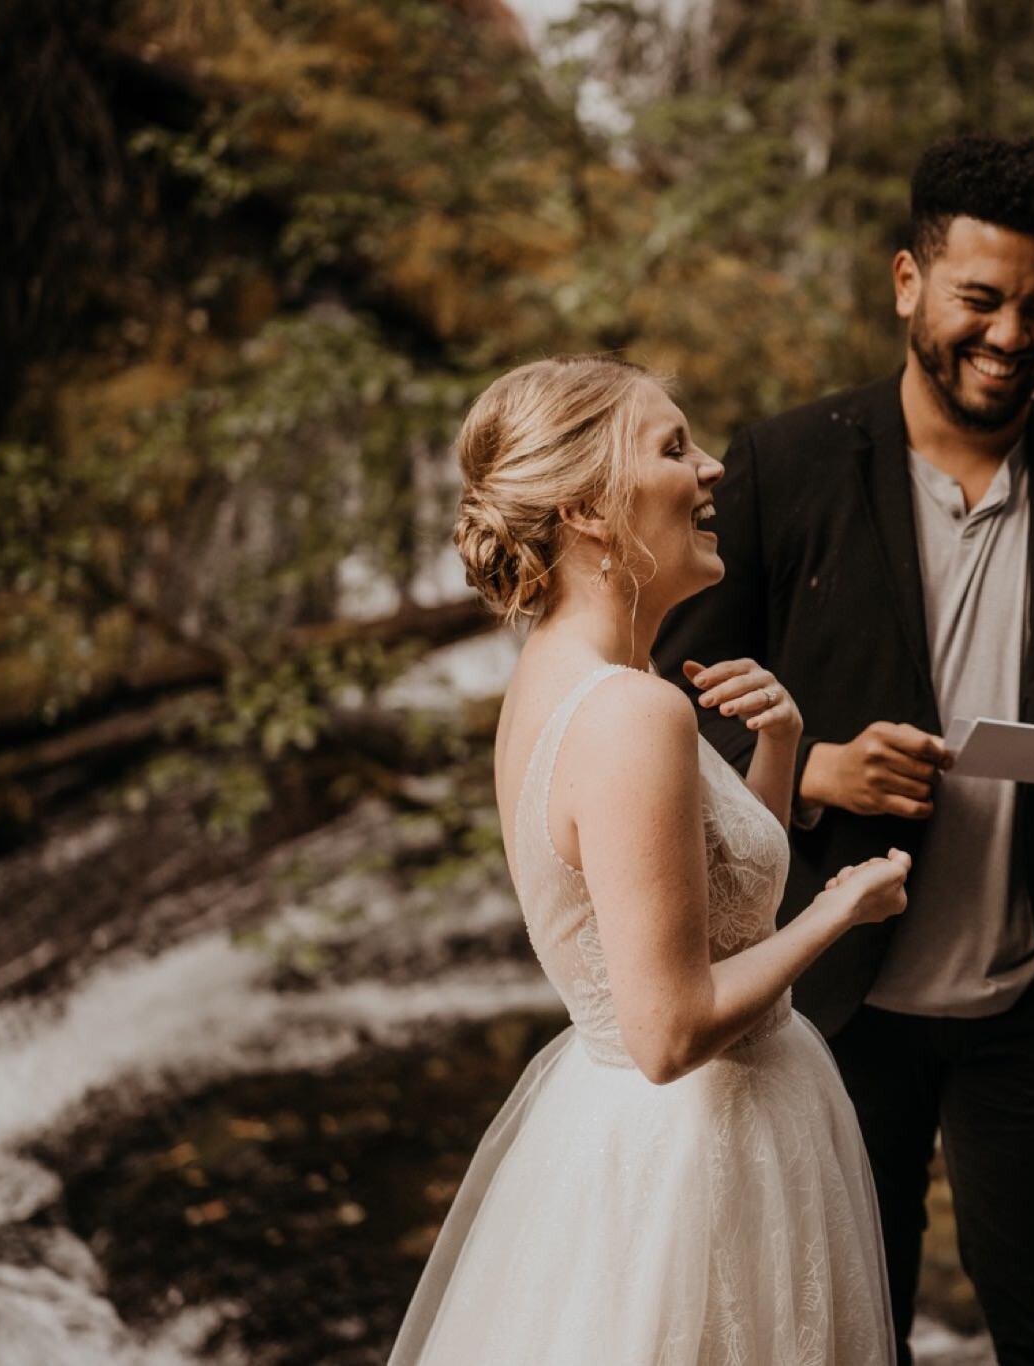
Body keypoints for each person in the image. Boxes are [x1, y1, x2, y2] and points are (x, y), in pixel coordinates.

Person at [652, 134, 1034, 1364]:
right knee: (840, 1331)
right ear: (906, 282)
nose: (1010, 337)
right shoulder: (782, 465)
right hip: (831, 1007)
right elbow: (664, 704)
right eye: (980, 300)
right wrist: (809, 768)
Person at [390, 355, 909, 1364]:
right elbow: (669, 1030)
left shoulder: (564, 680)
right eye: (674, 447)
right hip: (694, 1156)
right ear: (588, 508)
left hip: (637, 1136)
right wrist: (838, 910)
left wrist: (780, 748)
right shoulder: (633, 713)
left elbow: (715, 913)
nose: (712, 468)